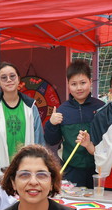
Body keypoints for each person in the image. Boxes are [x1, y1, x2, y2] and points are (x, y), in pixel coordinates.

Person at [44, 60, 104, 188]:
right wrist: (51, 124)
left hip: (98, 168)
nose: (79, 88)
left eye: (83, 83)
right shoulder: (62, 110)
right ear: (68, 85)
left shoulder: (101, 108)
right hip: (71, 170)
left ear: (90, 81)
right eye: (74, 84)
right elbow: (51, 140)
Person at [0, 62, 44, 170]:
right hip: (1, 172)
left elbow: (39, 141)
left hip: (28, 170)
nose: (9, 80)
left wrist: (37, 167)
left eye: (12, 76)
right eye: (4, 78)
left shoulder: (31, 107)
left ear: (18, 79)